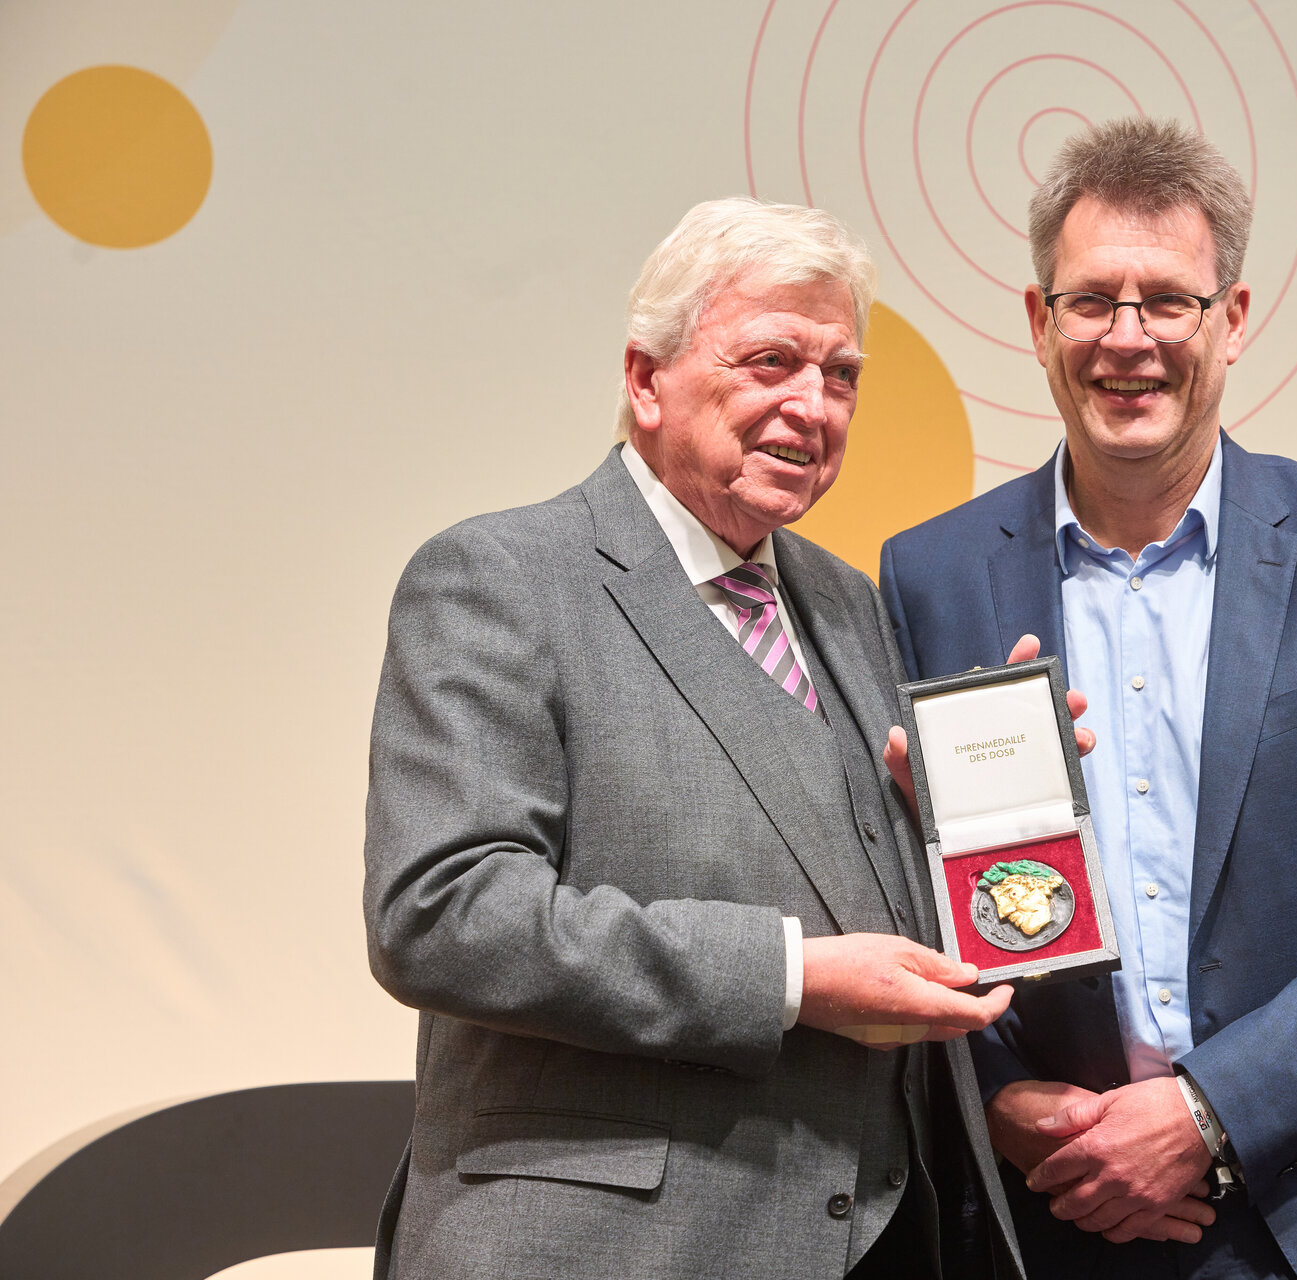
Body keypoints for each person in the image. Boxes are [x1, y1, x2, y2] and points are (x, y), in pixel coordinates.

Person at [363, 198, 1058, 1279]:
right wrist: (790, 977)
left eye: (841, 374)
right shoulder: (500, 578)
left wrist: (991, 808)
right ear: (646, 379)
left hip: (873, 1235)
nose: (811, 405)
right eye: (771, 360)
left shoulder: (848, 603)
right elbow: (444, 914)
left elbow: (856, 892)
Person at [879, 120, 1297, 1279]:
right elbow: (901, 910)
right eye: (1092, 300)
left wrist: (1207, 1111)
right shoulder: (933, 578)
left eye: (1168, 300)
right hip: (1068, 1221)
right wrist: (999, 1098)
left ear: (1232, 319)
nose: (1128, 339)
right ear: (1039, 322)